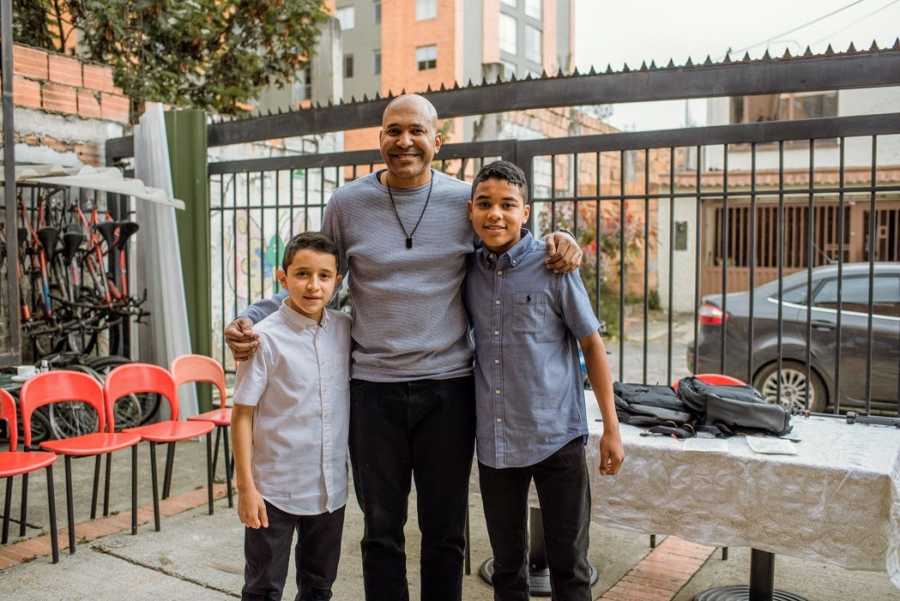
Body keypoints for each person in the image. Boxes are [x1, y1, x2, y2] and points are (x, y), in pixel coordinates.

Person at [225, 94, 583, 601]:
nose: (404, 141)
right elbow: (316, 272)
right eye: (393, 130)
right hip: (373, 393)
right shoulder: (347, 204)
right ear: (381, 139)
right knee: (381, 532)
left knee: (445, 532)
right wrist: (253, 316)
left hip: (449, 390)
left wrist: (562, 238)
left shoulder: (465, 202)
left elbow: (512, 242)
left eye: (416, 130)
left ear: (439, 140)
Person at [464, 160, 624, 601]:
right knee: (507, 567)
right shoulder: (467, 270)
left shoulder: (554, 265)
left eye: (507, 205)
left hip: (558, 438)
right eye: (484, 204)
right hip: (497, 443)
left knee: (570, 567)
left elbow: (591, 344)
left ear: (526, 212)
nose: (495, 214)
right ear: (471, 212)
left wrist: (611, 427)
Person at [231, 232, 352, 601]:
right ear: (283, 279)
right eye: (302, 274)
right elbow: (242, 416)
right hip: (274, 492)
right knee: (263, 588)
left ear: (338, 281)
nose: (313, 286)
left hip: (329, 490)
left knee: (319, 586)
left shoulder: (345, 331)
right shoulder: (263, 339)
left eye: (324, 276)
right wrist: (246, 488)